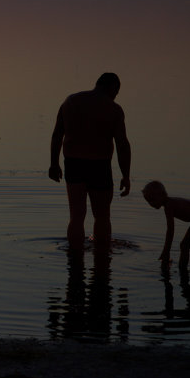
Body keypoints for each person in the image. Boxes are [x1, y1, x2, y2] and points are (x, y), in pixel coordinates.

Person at [48, 72, 131, 252]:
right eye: (117, 92)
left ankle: (75, 257)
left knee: (76, 217)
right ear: (112, 88)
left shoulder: (70, 102)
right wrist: (126, 175)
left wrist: (54, 164)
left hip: (73, 163)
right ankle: (102, 259)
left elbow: (57, 135)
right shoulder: (114, 109)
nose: (116, 96)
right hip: (99, 166)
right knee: (102, 217)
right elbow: (122, 144)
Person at [142, 180, 190, 271]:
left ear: (162, 194)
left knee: (184, 245)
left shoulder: (169, 205)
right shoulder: (169, 204)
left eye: (152, 200)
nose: (151, 204)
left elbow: (170, 230)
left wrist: (166, 251)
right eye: (148, 201)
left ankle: (183, 270)